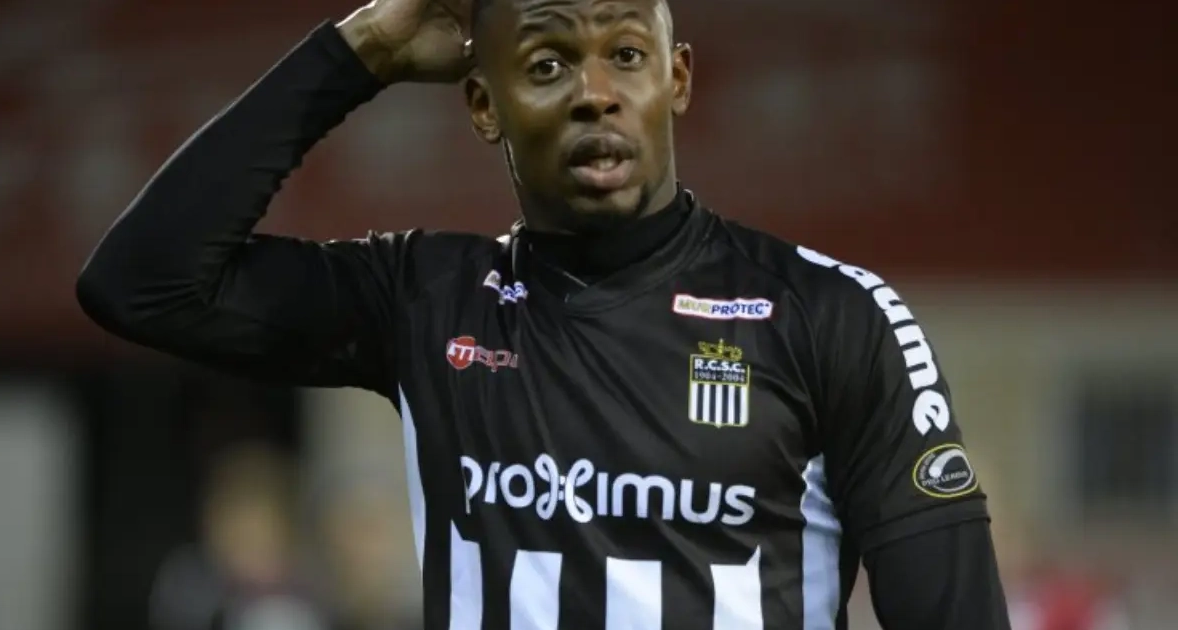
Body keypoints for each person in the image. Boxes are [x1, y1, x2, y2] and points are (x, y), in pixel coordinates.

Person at [76, 0, 1011, 627]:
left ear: (678, 80)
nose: (595, 93)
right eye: (548, 62)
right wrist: (361, 53)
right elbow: (143, 284)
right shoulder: (427, 300)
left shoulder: (832, 314)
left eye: (628, 56)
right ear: (484, 104)